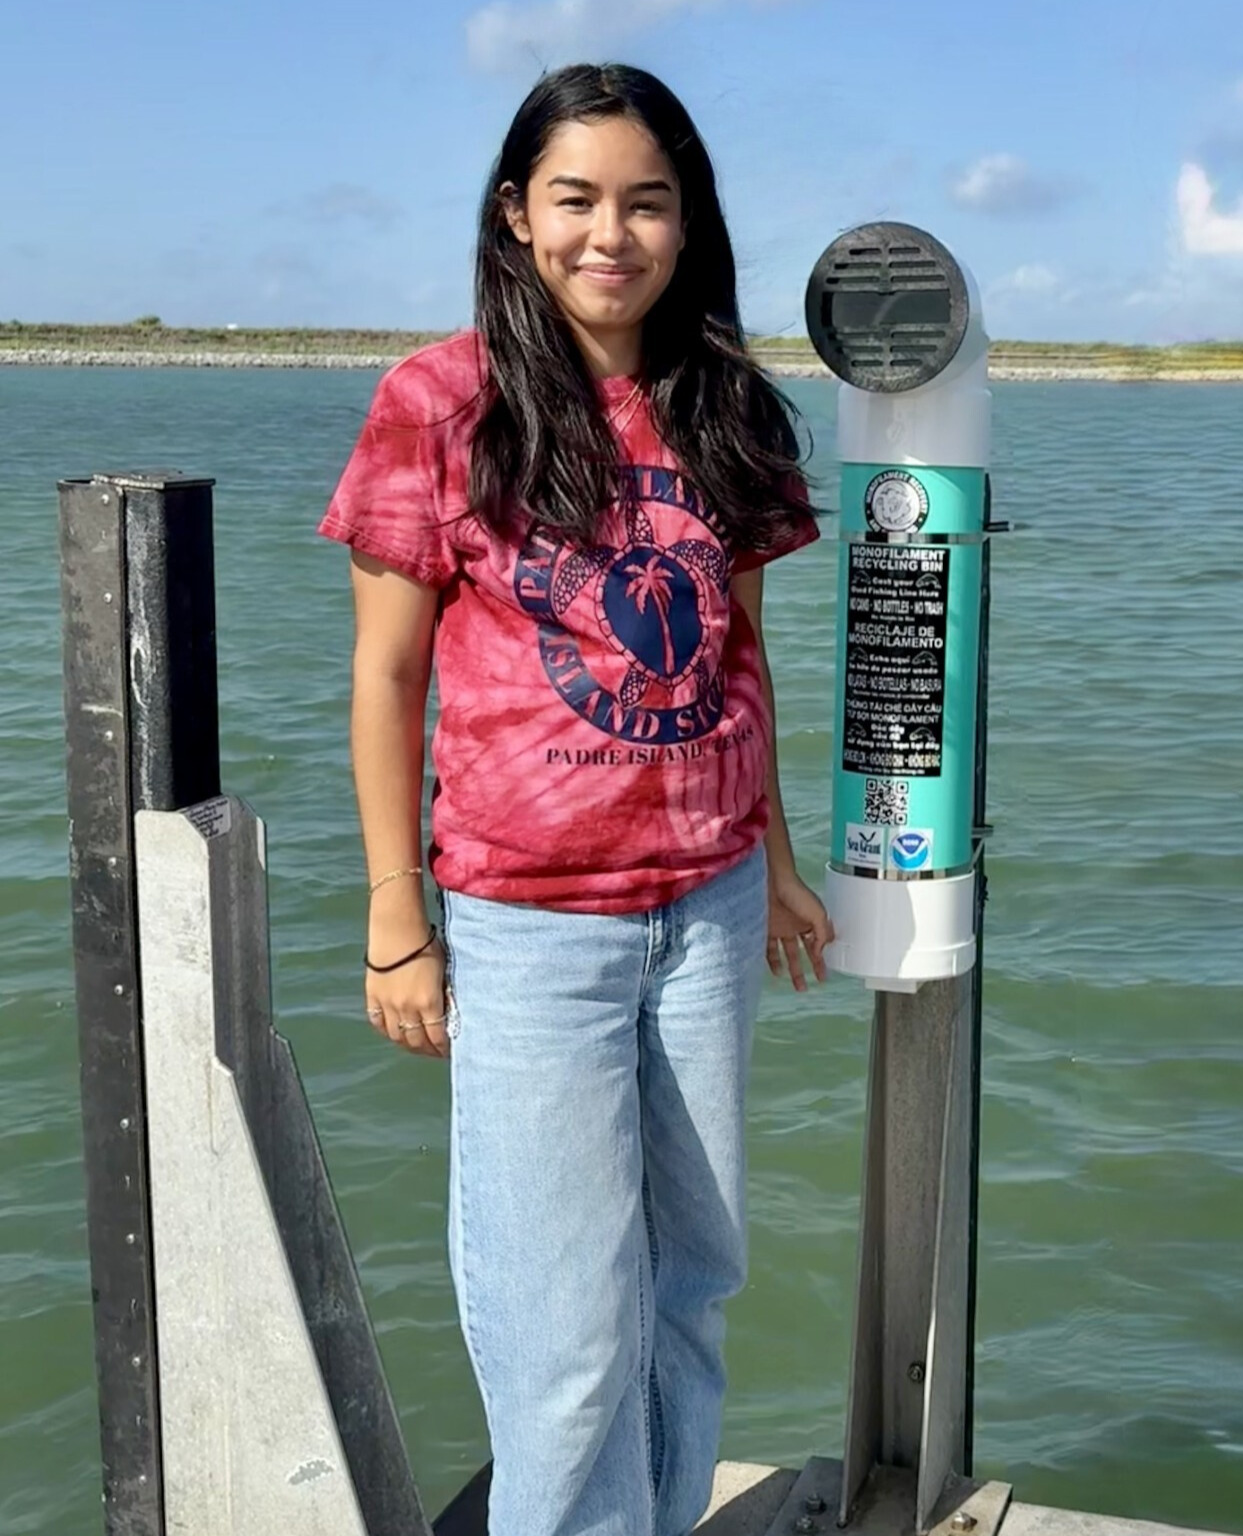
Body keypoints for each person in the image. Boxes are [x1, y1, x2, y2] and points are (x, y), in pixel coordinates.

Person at [319, 62, 834, 1536]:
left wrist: (778, 860)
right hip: (532, 928)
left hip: (709, 906)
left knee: (692, 1280)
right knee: (564, 1331)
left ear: (689, 222)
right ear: (516, 213)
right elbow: (386, 676)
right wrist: (397, 920)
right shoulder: (439, 401)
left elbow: (739, 652)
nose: (614, 234)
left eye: (648, 202)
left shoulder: (729, 404)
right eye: (578, 199)